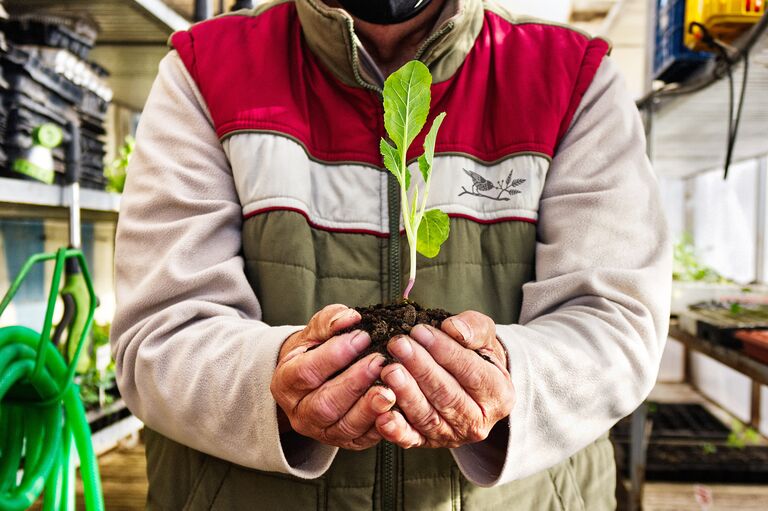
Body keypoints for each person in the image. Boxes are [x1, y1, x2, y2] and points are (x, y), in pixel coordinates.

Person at [111, 0, 671, 509]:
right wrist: (272, 381)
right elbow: (160, 332)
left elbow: (617, 322)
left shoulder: (570, 74)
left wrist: (511, 378)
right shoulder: (206, 68)